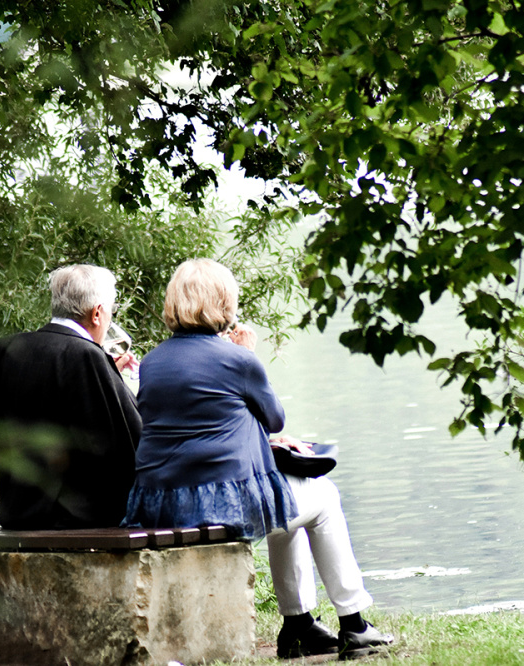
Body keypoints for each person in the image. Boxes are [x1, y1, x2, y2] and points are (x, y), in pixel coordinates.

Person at [123, 258, 394, 660]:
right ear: (223, 302)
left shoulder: (153, 362)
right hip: (218, 505)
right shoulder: (237, 359)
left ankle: (299, 625)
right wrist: (248, 354)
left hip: (161, 502)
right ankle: (354, 623)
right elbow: (274, 417)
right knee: (323, 496)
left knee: (289, 510)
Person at [0, 264, 141, 529]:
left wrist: (110, 373)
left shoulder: (3, 350)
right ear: (98, 313)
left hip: (17, 513)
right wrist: (124, 385)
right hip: (78, 519)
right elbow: (128, 442)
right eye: (111, 312)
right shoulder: (87, 356)